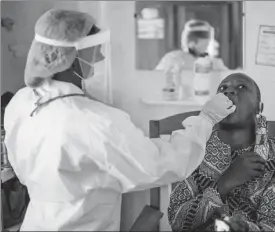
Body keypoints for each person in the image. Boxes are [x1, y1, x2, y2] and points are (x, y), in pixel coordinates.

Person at [3, 9, 237, 231]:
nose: (101, 55)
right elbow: (161, 165)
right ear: (71, 56)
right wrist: (206, 119)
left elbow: (23, 170)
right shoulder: (95, 120)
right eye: (94, 50)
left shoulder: (21, 102)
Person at [168, 73, 275, 232]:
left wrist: (243, 228)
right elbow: (176, 221)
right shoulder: (195, 146)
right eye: (223, 88)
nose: (228, 92)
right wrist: (225, 183)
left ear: (259, 107)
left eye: (241, 87)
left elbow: (273, 225)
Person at [154, 19, 227, 71]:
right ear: (193, 42)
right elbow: (155, 79)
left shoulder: (215, 63)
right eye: (207, 42)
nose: (215, 45)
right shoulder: (173, 59)